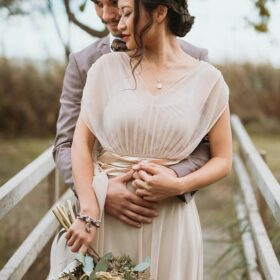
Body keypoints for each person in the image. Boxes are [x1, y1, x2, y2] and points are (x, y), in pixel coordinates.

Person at [50, 0, 232, 278]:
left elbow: (222, 158)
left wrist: (177, 183)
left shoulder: (210, 80)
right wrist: (90, 206)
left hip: (170, 221)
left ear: (160, 12)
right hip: (106, 220)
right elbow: (78, 144)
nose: (118, 24)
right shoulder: (104, 69)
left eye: (126, 14)